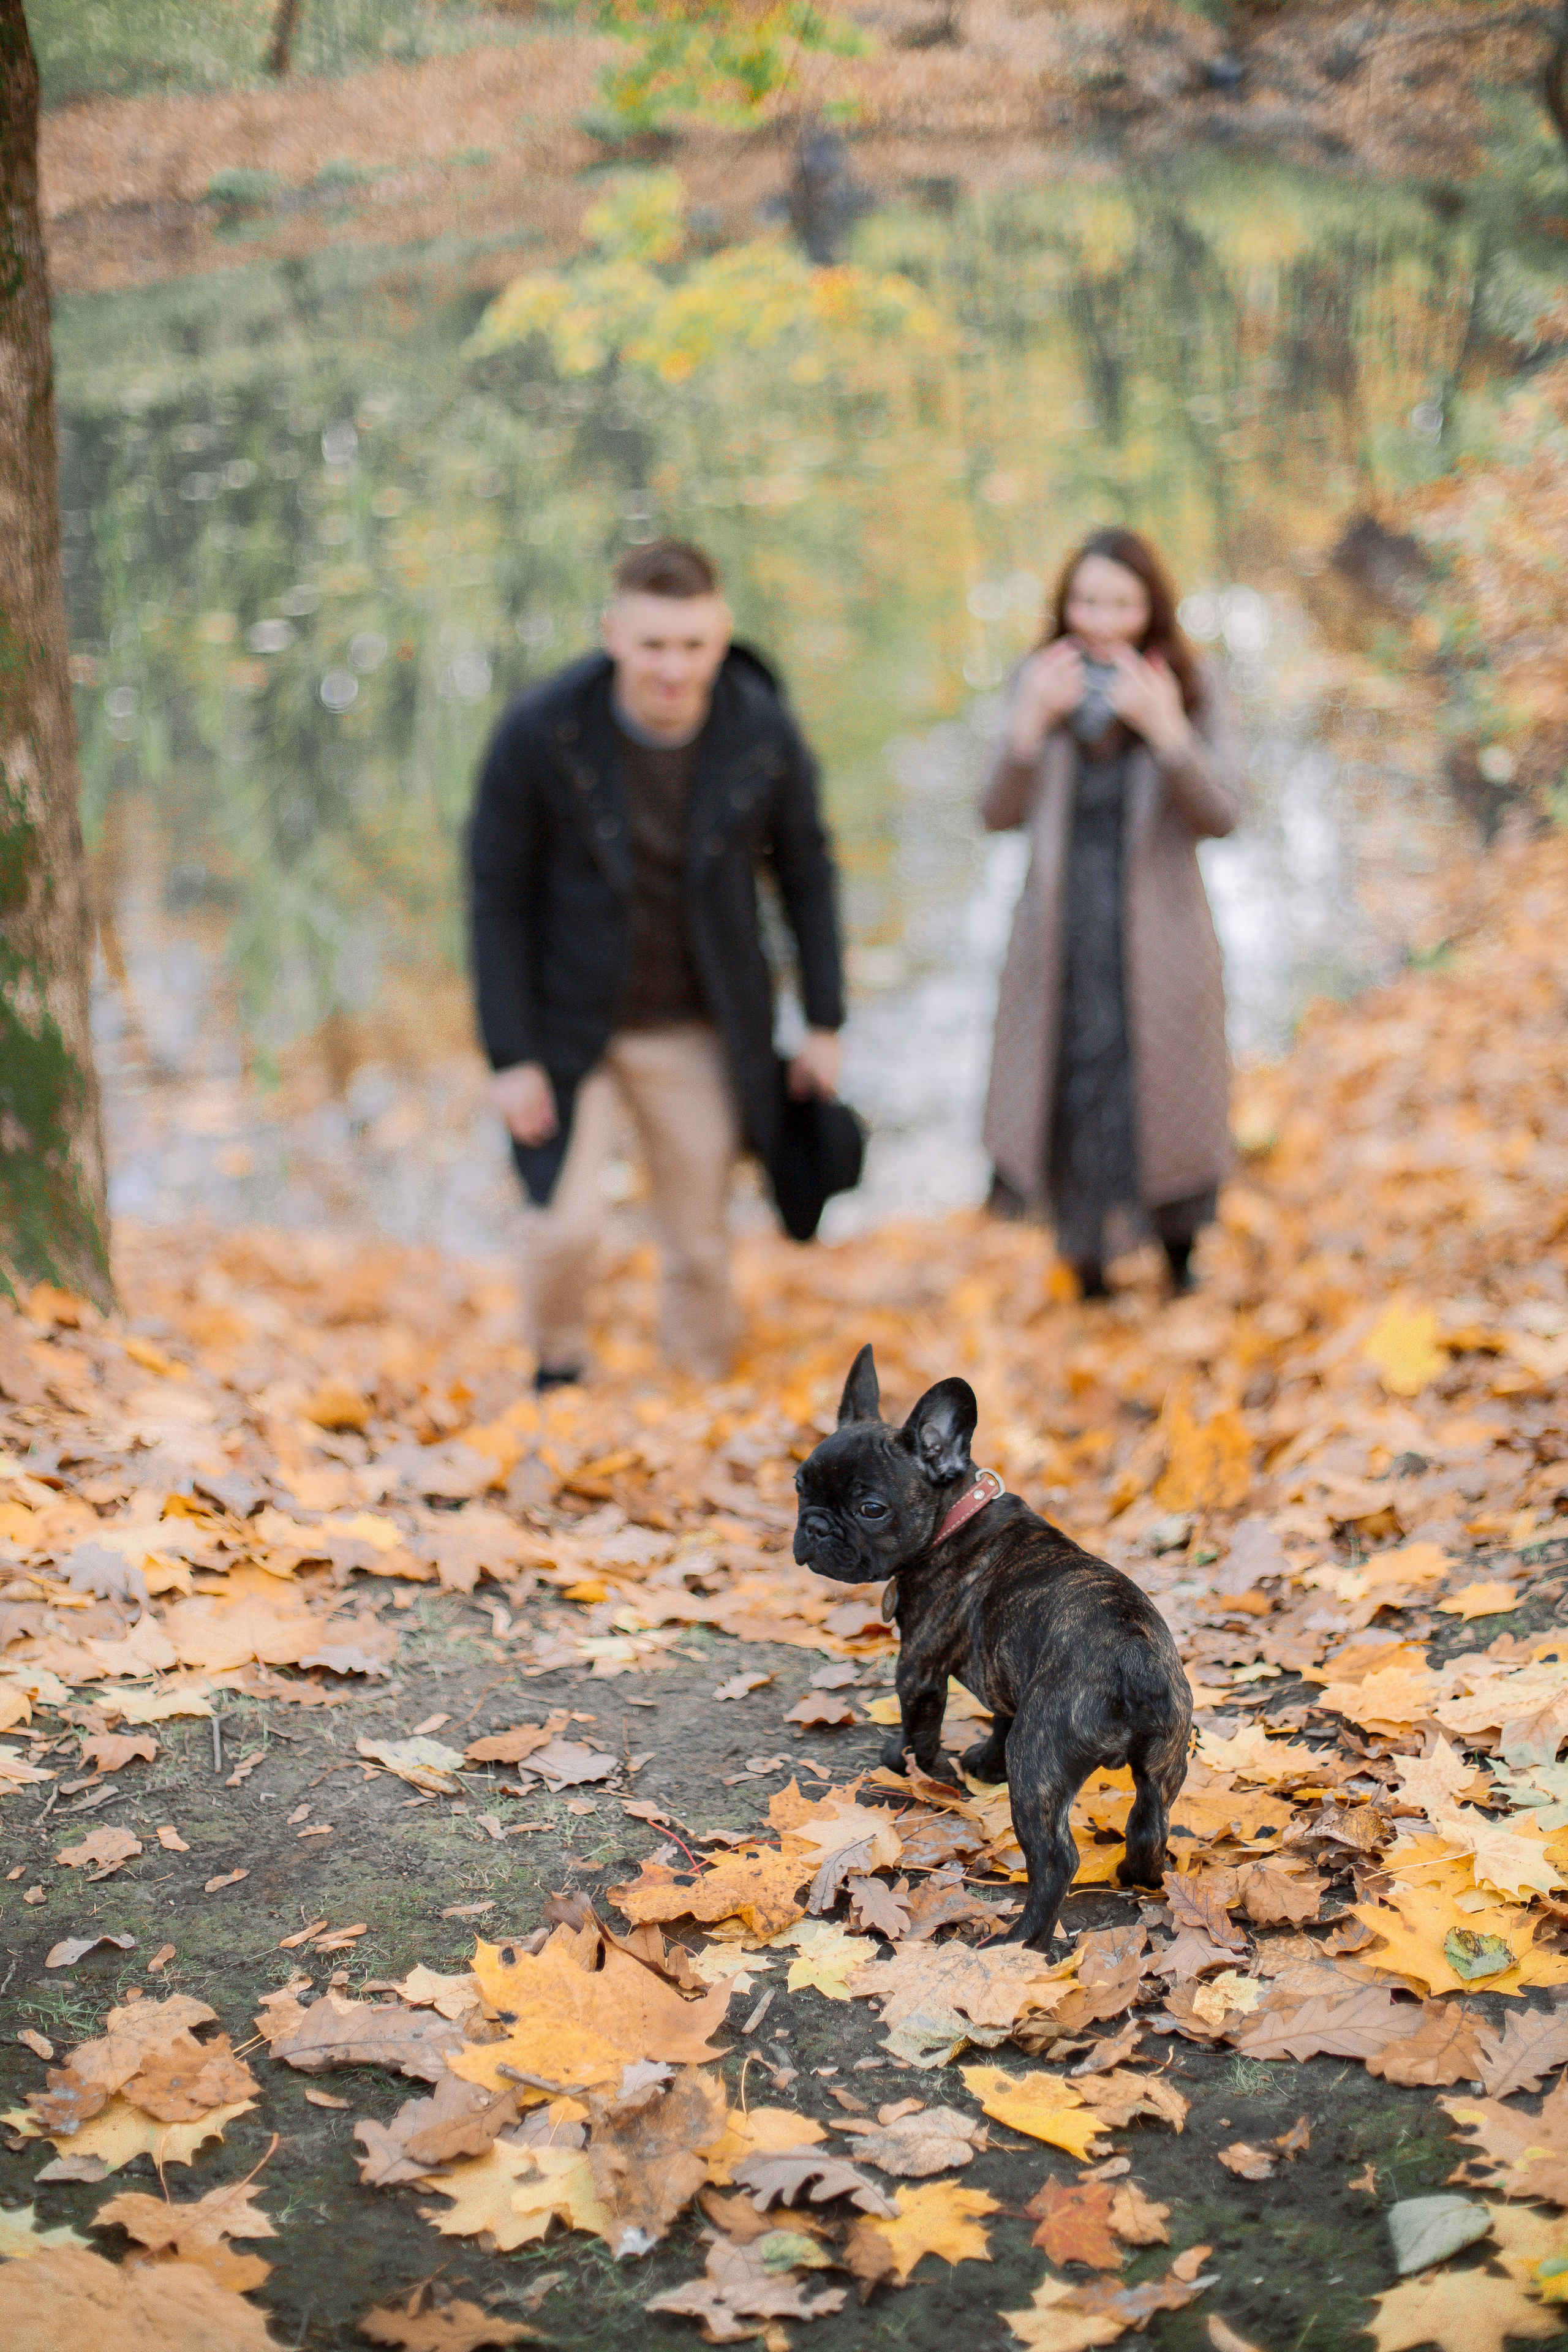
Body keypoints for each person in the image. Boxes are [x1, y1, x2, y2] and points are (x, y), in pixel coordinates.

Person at [469, 539, 844, 1385]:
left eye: (692, 646)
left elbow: (808, 875)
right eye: (652, 645)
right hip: (570, 1023)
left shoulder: (761, 726)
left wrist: (825, 1020)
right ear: (613, 635)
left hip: (697, 1020)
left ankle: (697, 1396)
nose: (673, 669)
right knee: (564, 1228)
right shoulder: (541, 732)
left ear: (722, 635)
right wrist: (511, 1055)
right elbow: (497, 896)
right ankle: (558, 1373)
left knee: (700, 1239)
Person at [979, 527, 1246, 1297]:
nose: (1100, 621)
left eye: (1121, 604)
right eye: (1087, 600)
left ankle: (1179, 1260)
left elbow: (1224, 813)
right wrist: (1025, 728)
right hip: (1061, 942)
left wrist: (1167, 732)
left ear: (1151, 609)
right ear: (1064, 604)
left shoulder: (1190, 684)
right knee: (1071, 1098)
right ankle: (1087, 1270)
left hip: (1161, 941)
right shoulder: (1038, 681)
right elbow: (994, 812)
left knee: (1167, 1096)